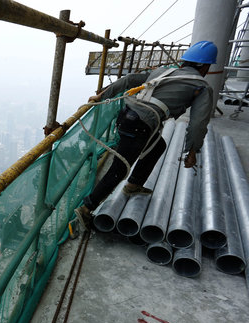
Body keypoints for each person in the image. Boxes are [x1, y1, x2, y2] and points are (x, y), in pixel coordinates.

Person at [74, 40, 218, 230]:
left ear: (185, 61)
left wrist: (102, 95)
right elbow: (198, 123)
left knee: (158, 146)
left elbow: (129, 80)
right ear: (206, 66)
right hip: (140, 125)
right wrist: (192, 150)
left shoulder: (164, 72)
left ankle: (134, 184)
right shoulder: (201, 87)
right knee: (119, 169)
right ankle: (86, 208)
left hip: (127, 116)